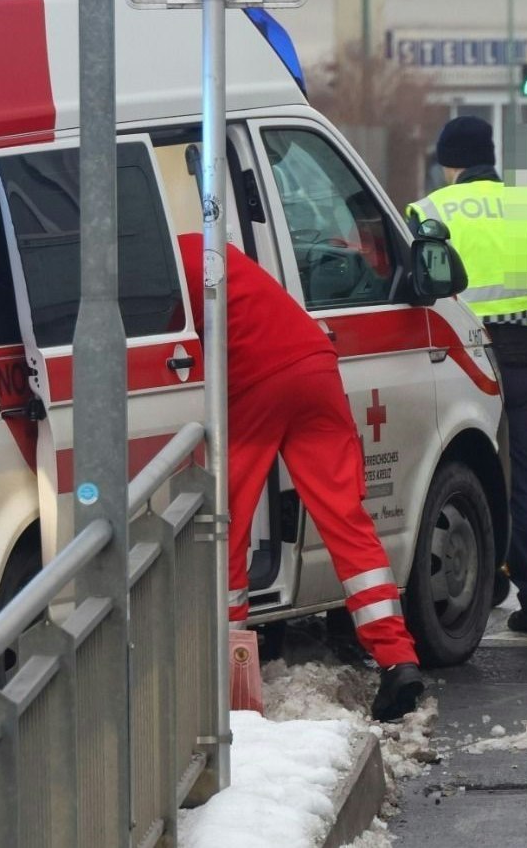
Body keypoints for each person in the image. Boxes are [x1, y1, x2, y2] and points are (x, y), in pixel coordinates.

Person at [174, 234, 426, 722]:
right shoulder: (207, 244)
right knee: (345, 519)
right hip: (314, 364)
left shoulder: (158, 263)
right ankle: (398, 659)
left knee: (227, 523)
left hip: (255, 381)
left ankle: (230, 675)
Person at [408, 116, 527, 636]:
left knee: (457, 473)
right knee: (522, 477)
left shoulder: (429, 211)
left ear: (448, 163)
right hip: (525, 360)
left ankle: (475, 582)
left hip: (461, 362)